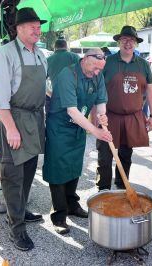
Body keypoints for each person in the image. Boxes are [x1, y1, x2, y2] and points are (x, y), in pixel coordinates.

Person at [0, 7, 48, 251]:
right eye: (32, 25)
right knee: (12, 176)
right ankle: (17, 228)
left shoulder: (40, 54)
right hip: (13, 119)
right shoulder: (5, 54)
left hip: (35, 119)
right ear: (19, 29)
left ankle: (21, 211)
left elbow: (43, 88)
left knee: (28, 171)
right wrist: (12, 130)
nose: (38, 29)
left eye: (39, 25)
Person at [43, 48, 112, 234]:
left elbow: (100, 100)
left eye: (100, 70)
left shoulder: (97, 75)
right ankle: (58, 215)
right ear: (85, 59)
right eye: (95, 69)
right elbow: (71, 111)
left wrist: (102, 116)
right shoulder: (68, 75)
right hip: (60, 128)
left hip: (79, 128)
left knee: (74, 167)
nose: (97, 73)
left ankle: (72, 204)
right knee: (58, 170)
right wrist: (96, 131)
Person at [96, 25, 152, 191]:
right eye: (124, 39)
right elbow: (96, 88)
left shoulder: (143, 65)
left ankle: (122, 185)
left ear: (136, 43)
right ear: (119, 42)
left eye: (131, 40)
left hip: (132, 117)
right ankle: (103, 190)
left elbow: (151, 90)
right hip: (109, 116)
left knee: (126, 154)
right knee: (105, 156)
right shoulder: (107, 62)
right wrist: (95, 115)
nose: (128, 43)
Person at [46, 39, 80, 113]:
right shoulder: (75, 57)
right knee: (74, 121)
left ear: (55, 47)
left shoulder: (48, 60)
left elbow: (41, 80)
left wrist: (50, 93)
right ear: (66, 46)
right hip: (75, 96)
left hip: (56, 98)